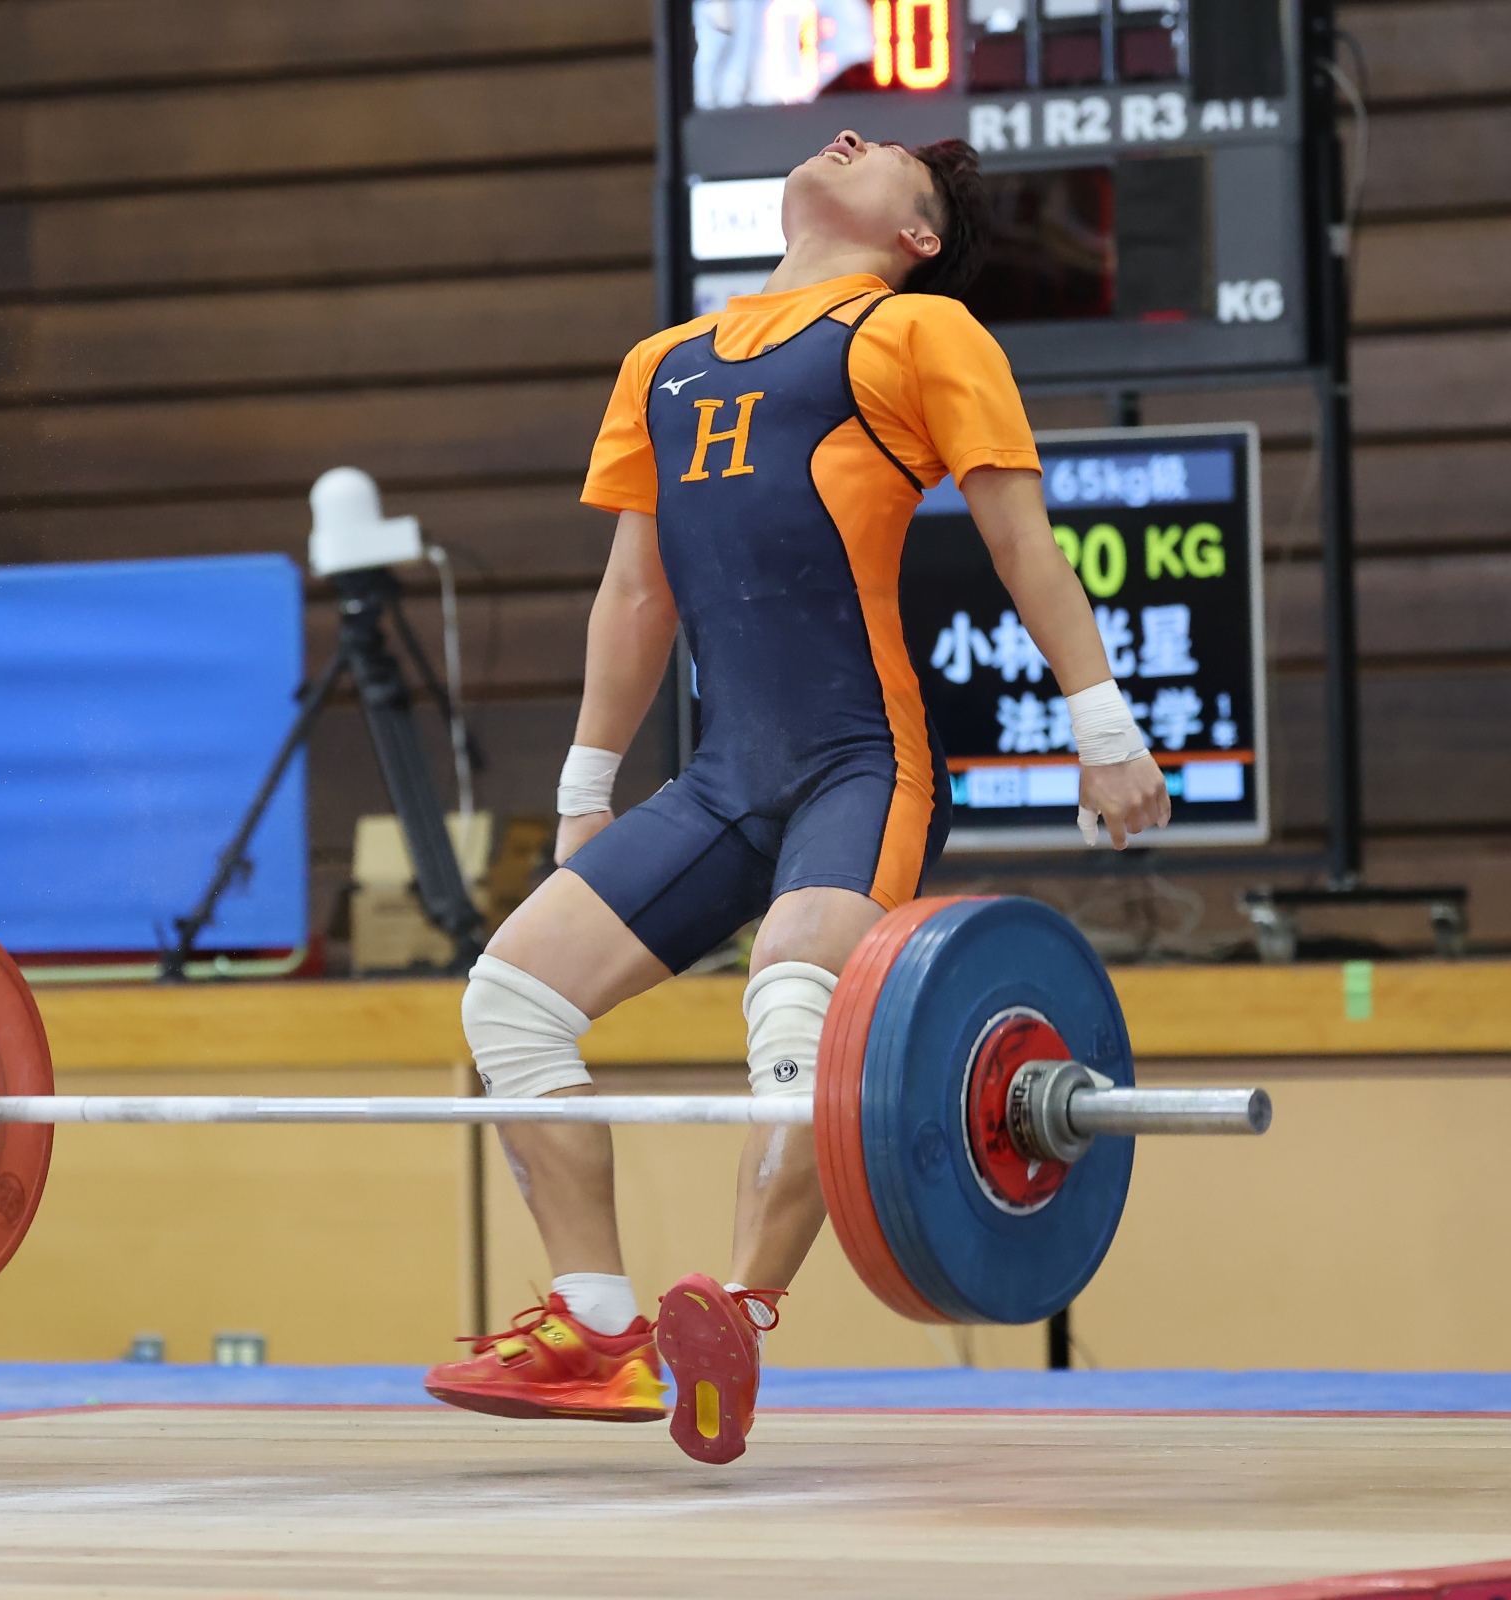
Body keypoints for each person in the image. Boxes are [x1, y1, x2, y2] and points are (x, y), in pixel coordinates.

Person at [422, 131, 1170, 1463]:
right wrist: (586, 789)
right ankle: (595, 1326)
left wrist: (1103, 728)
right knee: (510, 1000)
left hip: (860, 768)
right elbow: (635, 594)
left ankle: (736, 1313)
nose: (849, 135)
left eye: (886, 153)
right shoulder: (662, 364)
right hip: (722, 783)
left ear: (918, 237)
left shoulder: (921, 332)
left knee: (796, 1011)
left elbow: (1021, 543)